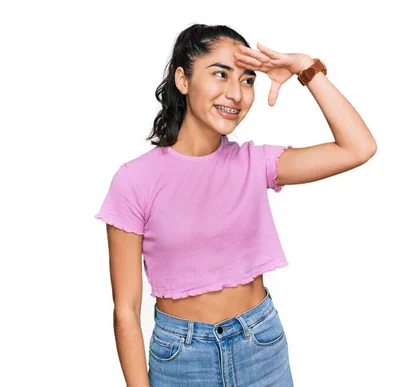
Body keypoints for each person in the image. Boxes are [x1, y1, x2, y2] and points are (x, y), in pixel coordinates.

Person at [94, 23, 376, 387]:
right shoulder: (134, 181)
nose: (236, 94)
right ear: (183, 79)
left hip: (260, 345)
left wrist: (305, 67)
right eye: (220, 74)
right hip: (181, 359)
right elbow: (126, 313)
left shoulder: (254, 164)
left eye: (247, 80)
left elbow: (358, 147)